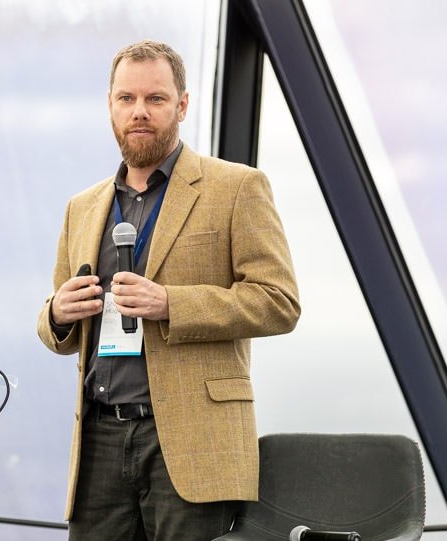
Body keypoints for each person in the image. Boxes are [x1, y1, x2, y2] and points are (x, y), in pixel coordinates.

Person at [36, 40, 300, 540]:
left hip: (191, 440)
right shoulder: (82, 207)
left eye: (155, 99)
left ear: (182, 105)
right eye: (127, 99)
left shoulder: (237, 188)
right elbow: (57, 326)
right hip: (100, 439)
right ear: (110, 106)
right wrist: (58, 315)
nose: (139, 112)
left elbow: (279, 301)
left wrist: (171, 303)